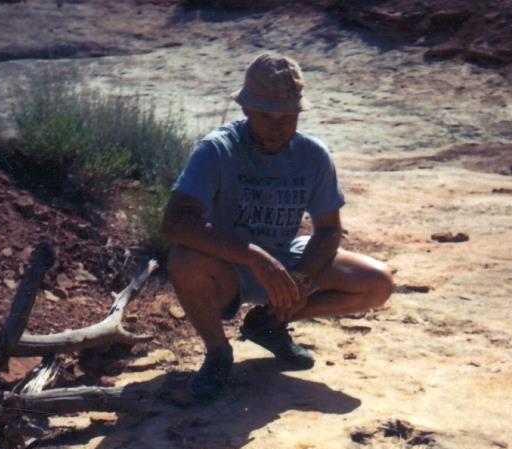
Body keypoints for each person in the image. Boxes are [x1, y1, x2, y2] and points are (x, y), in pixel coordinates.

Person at [162, 51, 393, 401]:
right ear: (247, 110)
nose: (278, 127)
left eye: (288, 116)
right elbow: (176, 222)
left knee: (377, 284)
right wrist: (254, 256)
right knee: (183, 260)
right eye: (267, 116)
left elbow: (329, 229)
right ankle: (218, 353)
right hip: (230, 267)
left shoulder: (313, 155)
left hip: (286, 259)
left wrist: (304, 278)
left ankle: (268, 324)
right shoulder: (218, 149)